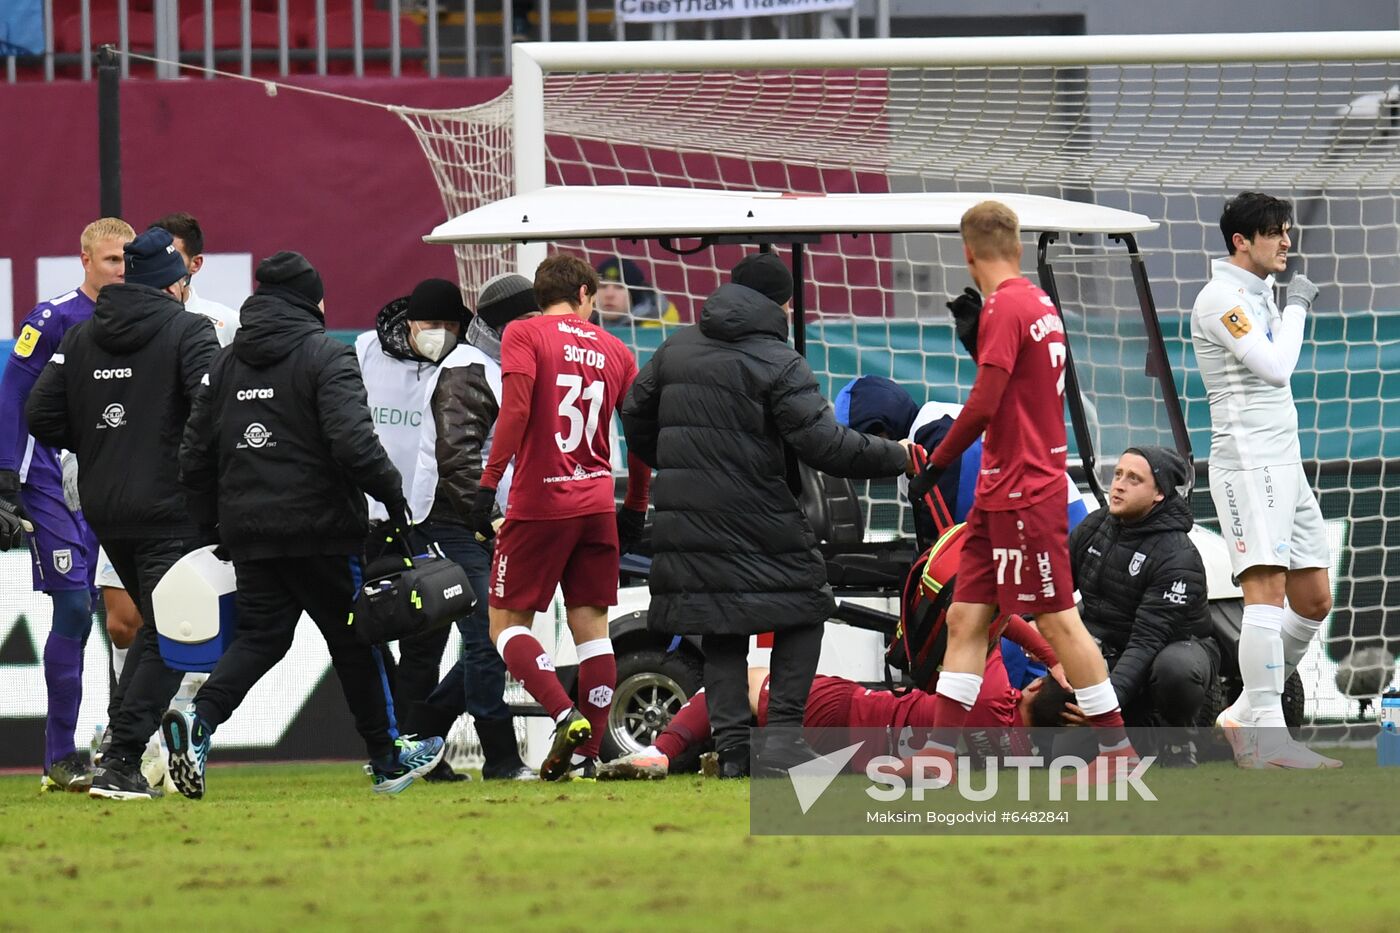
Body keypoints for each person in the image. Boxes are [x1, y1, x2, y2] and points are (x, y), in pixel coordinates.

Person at [622, 251, 914, 779]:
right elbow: (824, 445)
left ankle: (734, 752)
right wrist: (899, 456)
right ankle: (780, 740)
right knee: (806, 606)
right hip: (757, 510)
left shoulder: (675, 347)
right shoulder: (779, 360)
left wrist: (674, 460)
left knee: (721, 626)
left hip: (686, 516)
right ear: (782, 302)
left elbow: (634, 410)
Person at [168, 251, 444, 798]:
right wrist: (393, 495)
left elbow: (193, 456)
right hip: (322, 529)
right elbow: (353, 442)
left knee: (261, 638)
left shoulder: (225, 364)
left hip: (249, 533)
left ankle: (199, 717)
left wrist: (212, 528)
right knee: (357, 641)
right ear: (311, 300)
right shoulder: (326, 355)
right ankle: (388, 758)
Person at [907, 200, 1137, 784]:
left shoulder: (1005, 307)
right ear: (1014, 245)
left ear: (967, 252)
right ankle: (940, 752)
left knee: (1060, 621)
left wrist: (938, 460)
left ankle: (1117, 752)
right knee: (965, 618)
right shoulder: (1038, 303)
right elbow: (1017, 392)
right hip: (999, 493)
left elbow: (983, 404)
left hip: (1023, 493)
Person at [26, 226, 221, 800]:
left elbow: (42, 414)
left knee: (157, 631)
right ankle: (121, 761)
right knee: (175, 635)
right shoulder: (190, 330)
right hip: (172, 508)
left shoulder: (83, 336)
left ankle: (119, 751)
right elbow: (211, 413)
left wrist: (101, 444)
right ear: (173, 283)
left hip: (106, 509)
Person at [467, 254, 650, 782]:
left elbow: (517, 411)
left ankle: (564, 714)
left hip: (539, 504)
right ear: (586, 293)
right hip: (596, 504)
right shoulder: (617, 350)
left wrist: (487, 485)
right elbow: (638, 436)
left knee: (504, 624)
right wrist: (635, 503)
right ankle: (586, 753)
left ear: (538, 298)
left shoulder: (524, 335)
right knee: (592, 629)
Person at [1190, 192, 1339, 769]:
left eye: (1286, 231)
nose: (1287, 242)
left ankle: (1248, 710)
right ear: (1240, 242)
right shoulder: (1220, 299)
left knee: (1314, 598)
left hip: (1286, 460)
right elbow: (1276, 368)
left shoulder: (1256, 293)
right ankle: (1268, 737)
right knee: (1267, 594)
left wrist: (1286, 301)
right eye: (1275, 233)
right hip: (1249, 463)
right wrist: (1299, 306)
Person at [599, 615, 1069, 781]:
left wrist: (1052, 656)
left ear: (1029, 687)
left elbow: (993, 615)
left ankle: (662, 752)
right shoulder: (1022, 760)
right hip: (856, 761)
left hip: (848, 712)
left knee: (737, 683)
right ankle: (735, 752)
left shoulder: (987, 695)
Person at [0, 216, 132, 792]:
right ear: (85, 261)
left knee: (131, 616)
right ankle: (60, 753)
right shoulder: (54, 318)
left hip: (113, 481)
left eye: (127, 260)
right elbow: (12, 392)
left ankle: (129, 744)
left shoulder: (141, 321)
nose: (120, 270)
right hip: (49, 479)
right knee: (76, 610)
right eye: (110, 260)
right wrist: (6, 475)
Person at [406, 272, 539, 781]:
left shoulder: (500, 365)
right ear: (503, 326)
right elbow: (457, 460)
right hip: (454, 521)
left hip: (481, 522)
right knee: (490, 635)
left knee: (499, 635)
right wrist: (493, 519)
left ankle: (421, 730)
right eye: (527, 322)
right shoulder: (468, 371)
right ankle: (501, 758)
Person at [354, 277, 471, 740]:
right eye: (431, 322)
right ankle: (391, 737)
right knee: (365, 634)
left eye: (449, 324)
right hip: (367, 520)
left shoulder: (463, 366)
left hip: (430, 522)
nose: (439, 332)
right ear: (409, 321)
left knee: (427, 640)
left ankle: (415, 744)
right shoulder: (365, 351)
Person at [1069, 446, 1217, 766]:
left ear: (1159, 494)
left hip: (1167, 654)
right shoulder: (1095, 526)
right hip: (1110, 651)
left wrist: (1104, 706)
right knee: (1054, 715)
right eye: (1118, 474)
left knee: (1176, 669)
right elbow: (1054, 594)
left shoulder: (1178, 556)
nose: (1118, 485)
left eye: (1133, 479)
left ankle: (1180, 738)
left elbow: (1146, 641)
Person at [150, 212, 240, 347]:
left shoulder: (228, 323)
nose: (161, 265)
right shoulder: (128, 322)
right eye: (154, 256)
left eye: (172, 258)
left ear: (195, 264)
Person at [594, 256, 680, 326]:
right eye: (603, 286)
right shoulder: (585, 325)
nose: (609, 294)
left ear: (634, 295)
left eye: (619, 287)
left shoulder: (660, 331)